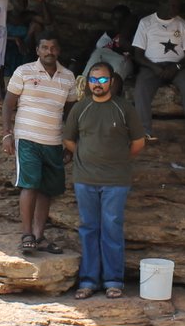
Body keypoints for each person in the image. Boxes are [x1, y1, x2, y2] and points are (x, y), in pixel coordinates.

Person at [63, 61, 148, 299]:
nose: (97, 84)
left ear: (112, 81)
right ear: (87, 82)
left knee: (111, 228)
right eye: (93, 80)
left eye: (102, 80)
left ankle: (113, 281)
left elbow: (138, 142)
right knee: (88, 229)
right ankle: (88, 281)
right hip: (85, 178)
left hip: (116, 180)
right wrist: (86, 156)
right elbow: (69, 140)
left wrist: (118, 159)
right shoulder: (81, 108)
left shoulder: (124, 108)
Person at [3, 34, 76, 256]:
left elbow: (71, 114)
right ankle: (26, 235)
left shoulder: (68, 77)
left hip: (53, 141)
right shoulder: (23, 71)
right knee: (30, 184)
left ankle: (39, 236)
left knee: (47, 190)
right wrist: (7, 134)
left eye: (53, 47)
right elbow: (8, 104)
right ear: (37, 51)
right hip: (27, 138)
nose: (49, 51)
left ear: (59, 51)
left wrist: (69, 144)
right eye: (44, 47)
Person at [131, 0, 185, 152]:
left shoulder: (183, 24)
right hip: (151, 66)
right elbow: (137, 54)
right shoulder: (146, 22)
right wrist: (154, 67)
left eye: (177, 6)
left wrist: (177, 67)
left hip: (178, 67)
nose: (175, 9)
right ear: (161, 4)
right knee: (140, 88)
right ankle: (143, 132)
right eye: (171, 5)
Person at [3, 0, 52, 76]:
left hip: (25, 49)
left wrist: (42, 1)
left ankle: (41, 60)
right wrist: (15, 39)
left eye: (24, 0)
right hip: (8, 48)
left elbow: (47, 21)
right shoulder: (5, 15)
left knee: (36, 26)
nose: (22, 3)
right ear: (11, 1)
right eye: (18, 0)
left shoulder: (28, 15)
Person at [85, 5, 137, 85]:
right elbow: (91, 53)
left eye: (122, 19)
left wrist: (124, 36)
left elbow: (136, 55)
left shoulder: (135, 36)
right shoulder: (106, 34)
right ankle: (83, 84)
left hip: (121, 63)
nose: (119, 22)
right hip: (101, 64)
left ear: (128, 20)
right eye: (115, 19)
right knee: (98, 53)